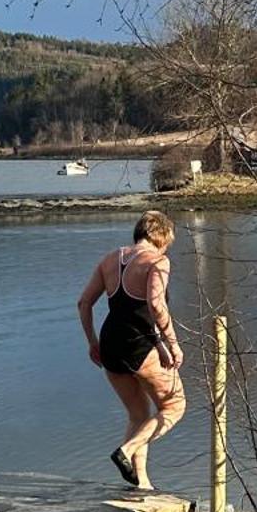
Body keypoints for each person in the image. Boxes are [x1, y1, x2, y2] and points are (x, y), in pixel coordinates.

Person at [77, 210, 186, 491]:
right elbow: (156, 305)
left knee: (139, 415)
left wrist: (92, 342)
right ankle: (126, 450)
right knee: (175, 406)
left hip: (110, 343)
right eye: (167, 243)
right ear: (161, 238)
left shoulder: (109, 259)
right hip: (139, 343)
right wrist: (171, 344)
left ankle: (142, 484)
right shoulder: (158, 262)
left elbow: (84, 303)